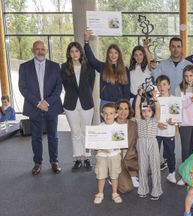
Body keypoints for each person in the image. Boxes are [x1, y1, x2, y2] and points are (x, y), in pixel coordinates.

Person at [18, 40, 63, 175]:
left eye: (42, 49)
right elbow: (23, 88)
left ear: (46, 51)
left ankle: (54, 161)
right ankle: (37, 163)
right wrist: (38, 103)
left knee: (53, 136)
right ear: (33, 50)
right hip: (34, 107)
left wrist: (47, 102)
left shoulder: (55, 67)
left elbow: (58, 87)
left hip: (51, 107)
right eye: (37, 49)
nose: (40, 51)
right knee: (36, 137)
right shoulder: (24, 67)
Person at [61, 42, 96, 171]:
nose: (74, 54)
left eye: (77, 51)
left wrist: (84, 95)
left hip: (86, 102)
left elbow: (90, 85)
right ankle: (77, 158)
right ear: (69, 54)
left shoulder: (89, 67)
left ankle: (86, 157)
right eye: (72, 51)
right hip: (71, 104)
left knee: (86, 132)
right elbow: (65, 86)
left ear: (81, 52)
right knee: (75, 132)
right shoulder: (64, 67)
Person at [84, 29, 130, 109]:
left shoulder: (124, 69)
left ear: (119, 54)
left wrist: (126, 105)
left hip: (120, 103)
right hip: (105, 103)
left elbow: (126, 88)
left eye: (116, 53)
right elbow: (91, 59)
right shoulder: (103, 67)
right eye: (111, 53)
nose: (113, 55)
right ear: (108, 54)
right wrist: (86, 41)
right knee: (105, 122)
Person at [134, 88, 162, 200]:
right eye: (144, 111)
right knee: (142, 166)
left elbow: (158, 108)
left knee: (155, 166)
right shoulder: (139, 120)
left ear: (152, 112)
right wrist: (140, 94)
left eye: (149, 111)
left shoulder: (155, 120)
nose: (146, 113)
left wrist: (155, 98)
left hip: (152, 142)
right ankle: (143, 189)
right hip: (141, 142)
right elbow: (136, 106)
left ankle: (156, 191)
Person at [93, 103, 123, 204]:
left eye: (111, 113)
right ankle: (100, 193)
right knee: (100, 175)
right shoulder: (98, 128)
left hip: (114, 155)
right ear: (102, 114)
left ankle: (115, 193)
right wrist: (95, 148)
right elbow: (94, 144)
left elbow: (120, 143)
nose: (108, 116)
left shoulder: (119, 128)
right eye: (105, 113)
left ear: (116, 115)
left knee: (114, 175)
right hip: (101, 156)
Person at [155, 75, 178, 184]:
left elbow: (177, 117)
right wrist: (156, 123)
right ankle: (154, 174)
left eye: (164, 84)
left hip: (169, 132)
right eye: (159, 85)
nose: (161, 87)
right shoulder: (154, 99)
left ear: (169, 86)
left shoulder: (174, 99)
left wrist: (174, 122)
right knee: (154, 153)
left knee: (170, 153)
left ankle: (172, 173)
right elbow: (149, 115)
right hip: (156, 132)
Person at [116, 99, 139, 193]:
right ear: (116, 110)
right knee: (127, 188)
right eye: (120, 108)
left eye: (126, 109)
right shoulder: (110, 125)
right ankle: (111, 175)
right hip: (116, 161)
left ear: (129, 111)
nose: (123, 111)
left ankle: (132, 174)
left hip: (130, 159)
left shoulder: (133, 125)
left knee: (149, 168)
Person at [128, 40, 152, 104]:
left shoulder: (147, 67)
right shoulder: (130, 68)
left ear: (144, 55)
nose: (138, 57)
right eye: (136, 55)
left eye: (140, 54)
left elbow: (151, 61)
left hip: (145, 98)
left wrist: (145, 48)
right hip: (133, 98)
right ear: (133, 56)